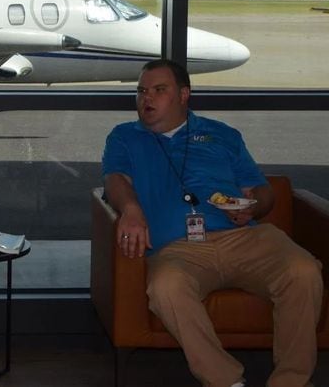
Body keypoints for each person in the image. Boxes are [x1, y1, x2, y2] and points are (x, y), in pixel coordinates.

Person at [101, 59, 323, 387]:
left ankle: (291, 381)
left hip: (242, 238)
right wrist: (131, 209)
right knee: (166, 287)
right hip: (178, 249)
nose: (146, 98)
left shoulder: (222, 135)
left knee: (303, 271)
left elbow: (260, 190)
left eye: (159, 90)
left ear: (184, 95)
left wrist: (253, 207)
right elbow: (115, 179)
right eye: (141, 91)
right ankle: (225, 380)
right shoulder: (124, 137)